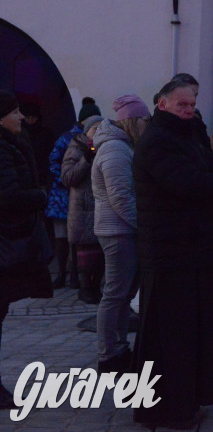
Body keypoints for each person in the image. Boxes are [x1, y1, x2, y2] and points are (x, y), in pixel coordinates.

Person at [132, 79, 213, 428]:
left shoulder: (191, 133)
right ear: (163, 104)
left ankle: (190, 399)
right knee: (171, 338)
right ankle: (168, 409)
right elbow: (193, 184)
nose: (189, 111)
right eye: (182, 106)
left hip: (194, 251)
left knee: (194, 333)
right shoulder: (157, 141)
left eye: (192, 105)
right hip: (170, 255)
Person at [0, 91, 54, 409]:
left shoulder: (10, 144)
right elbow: (7, 196)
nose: (20, 117)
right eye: (15, 112)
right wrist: (40, 196)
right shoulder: (2, 148)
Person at [91, 94, 150, 374]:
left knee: (123, 293)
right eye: (144, 120)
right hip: (117, 230)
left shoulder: (122, 146)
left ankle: (118, 347)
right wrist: (144, 225)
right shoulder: (114, 149)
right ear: (133, 121)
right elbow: (121, 198)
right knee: (115, 293)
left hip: (123, 229)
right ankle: (108, 355)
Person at [47, 101, 102, 289]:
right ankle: (63, 273)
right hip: (62, 196)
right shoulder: (67, 139)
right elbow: (55, 162)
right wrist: (64, 181)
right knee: (63, 237)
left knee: (79, 239)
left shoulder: (96, 140)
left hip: (80, 197)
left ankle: (76, 276)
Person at [61, 114, 104, 304]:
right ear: (87, 132)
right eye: (95, 129)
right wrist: (86, 160)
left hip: (100, 207)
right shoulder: (76, 147)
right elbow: (68, 177)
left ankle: (96, 287)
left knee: (101, 252)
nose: (98, 133)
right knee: (86, 253)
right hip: (82, 208)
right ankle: (86, 288)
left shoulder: (105, 147)